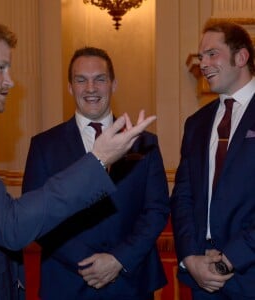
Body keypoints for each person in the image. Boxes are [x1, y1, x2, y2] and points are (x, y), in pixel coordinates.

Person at [0, 16, 156, 299]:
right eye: (1, 67)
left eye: (99, 79)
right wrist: (98, 159)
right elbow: (11, 224)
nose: (10, 81)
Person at [22, 46, 170, 300]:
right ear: (70, 87)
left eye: (99, 79)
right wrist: (87, 264)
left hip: (130, 279)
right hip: (68, 280)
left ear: (113, 84)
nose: (90, 88)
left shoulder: (143, 143)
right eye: (81, 80)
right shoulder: (43, 146)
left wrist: (118, 259)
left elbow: (156, 210)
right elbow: (35, 215)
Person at [171, 20, 255, 300]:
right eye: (201, 56)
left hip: (249, 272)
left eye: (212, 54)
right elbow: (182, 196)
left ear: (241, 57)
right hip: (201, 276)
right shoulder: (196, 123)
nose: (203, 64)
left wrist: (229, 259)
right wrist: (190, 258)